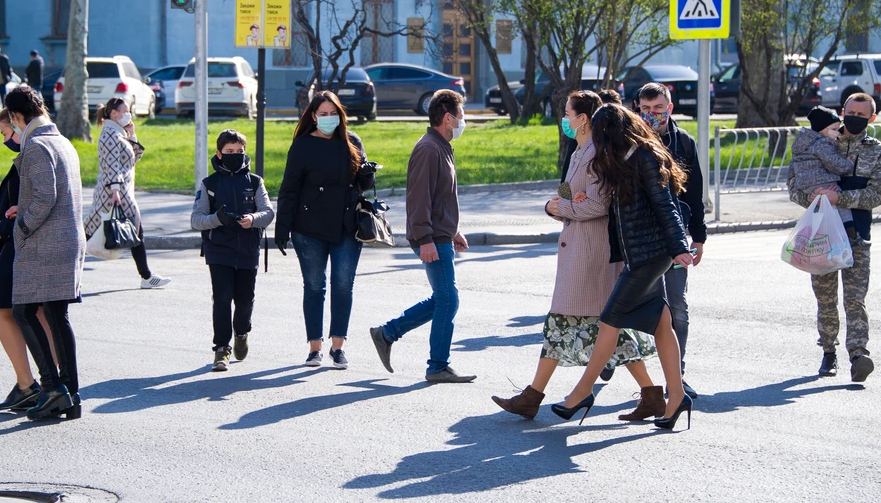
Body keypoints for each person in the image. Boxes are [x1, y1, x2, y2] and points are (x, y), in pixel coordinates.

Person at [491, 91, 660, 419]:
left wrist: (563, 206)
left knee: (567, 320)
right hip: (579, 244)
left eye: (568, 113)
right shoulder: (578, 150)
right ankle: (651, 393)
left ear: (583, 119)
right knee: (604, 325)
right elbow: (567, 191)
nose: (565, 119)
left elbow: (596, 205)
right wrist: (562, 204)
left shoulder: (597, 152)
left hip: (590, 253)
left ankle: (533, 396)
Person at [552, 104, 694, 430]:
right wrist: (577, 200)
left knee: (609, 320)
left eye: (600, 136)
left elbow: (664, 206)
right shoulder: (608, 156)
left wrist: (678, 247)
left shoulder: (641, 156)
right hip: (639, 253)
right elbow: (579, 191)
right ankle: (677, 396)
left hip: (649, 254)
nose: (596, 143)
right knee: (661, 324)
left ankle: (582, 392)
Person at [369, 89, 477, 383]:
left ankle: (387, 333)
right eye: (461, 116)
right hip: (431, 239)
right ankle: (437, 365)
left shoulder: (440, 145)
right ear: (447, 118)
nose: (463, 121)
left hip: (440, 235)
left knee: (445, 299)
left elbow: (440, 197)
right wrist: (425, 238)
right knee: (448, 299)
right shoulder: (429, 148)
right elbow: (419, 198)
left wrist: (453, 230)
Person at [786, 93, 881, 382]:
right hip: (820, 236)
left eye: (862, 113)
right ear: (842, 112)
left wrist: (838, 197)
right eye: (851, 111)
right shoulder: (819, 140)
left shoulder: (878, 151)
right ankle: (828, 353)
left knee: (855, 300)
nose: (855, 117)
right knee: (826, 298)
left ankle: (858, 354)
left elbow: (876, 195)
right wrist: (813, 197)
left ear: (872, 118)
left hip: (857, 236)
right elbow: (794, 185)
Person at [275, 92, 376, 369]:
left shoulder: (351, 141)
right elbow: (289, 188)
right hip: (308, 227)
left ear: (340, 116)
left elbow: (363, 184)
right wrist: (282, 227)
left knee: (343, 284)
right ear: (313, 116)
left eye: (333, 113)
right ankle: (315, 347)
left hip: (346, 225)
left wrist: (368, 173)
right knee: (314, 286)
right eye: (323, 113)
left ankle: (338, 346)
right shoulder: (302, 146)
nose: (328, 118)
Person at [4, 86, 85, 420]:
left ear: (15, 116)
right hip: (67, 241)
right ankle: (70, 394)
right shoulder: (61, 141)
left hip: (45, 244)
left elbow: (44, 197)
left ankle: (52, 388)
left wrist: (19, 228)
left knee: (23, 311)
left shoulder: (36, 146)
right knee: (55, 314)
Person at [0, 109, 55, 412]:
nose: (4, 140)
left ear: (17, 125)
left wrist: (7, 226)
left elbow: (41, 199)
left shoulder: (33, 153)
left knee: (2, 310)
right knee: (32, 312)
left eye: (5, 133)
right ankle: (41, 383)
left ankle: (32, 384)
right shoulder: (34, 151)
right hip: (15, 240)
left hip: (21, 242)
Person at [635, 82, 707, 399]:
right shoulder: (631, 141)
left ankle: (677, 376)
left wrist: (700, 236)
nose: (652, 116)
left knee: (677, 305)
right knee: (631, 306)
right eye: (646, 110)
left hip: (676, 239)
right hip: (639, 239)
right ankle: (618, 360)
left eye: (658, 110)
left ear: (670, 109)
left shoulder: (683, 142)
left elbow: (695, 192)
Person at [191, 129, 274, 372]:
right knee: (222, 299)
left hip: (248, 249)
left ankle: (242, 333)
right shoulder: (210, 184)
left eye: (240, 151)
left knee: (245, 300)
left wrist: (252, 218)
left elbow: (268, 212)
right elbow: (196, 219)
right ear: (219, 153)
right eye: (229, 152)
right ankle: (221, 348)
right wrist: (217, 219)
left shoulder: (255, 181)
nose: (235, 155)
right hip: (219, 250)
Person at [83, 98, 170, 289]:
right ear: (114, 113)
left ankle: (146, 276)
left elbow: (133, 159)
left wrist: (132, 134)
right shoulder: (110, 134)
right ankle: (146, 276)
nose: (128, 114)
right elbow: (112, 165)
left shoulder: (119, 133)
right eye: (125, 110)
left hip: (121, 191)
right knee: (90, 233)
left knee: (127, 229)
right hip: (113, 193)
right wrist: (115, 190)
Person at [790, 106, 854, 226]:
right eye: (834, 129)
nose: (837, 132)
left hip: (805, 186)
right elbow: (834, 163)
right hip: (823, 183)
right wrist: (848, 164)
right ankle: (850, 230)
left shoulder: (802, 144)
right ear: (821, 130)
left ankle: (818, 232)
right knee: (839, 200)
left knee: (818, 209)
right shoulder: (823, 143)